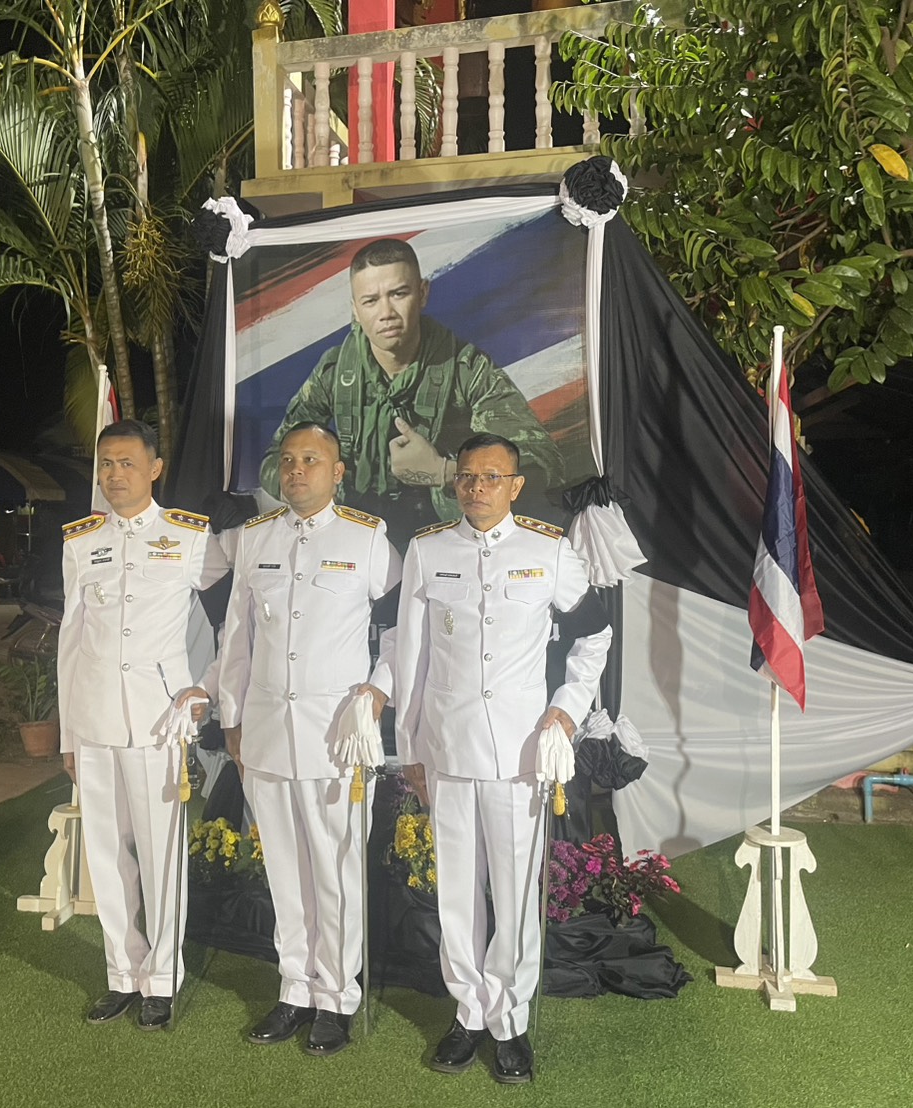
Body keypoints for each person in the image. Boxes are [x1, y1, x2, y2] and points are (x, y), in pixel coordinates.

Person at [392, 433, 612, 1084]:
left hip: (519, 753)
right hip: (447, 749)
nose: (477, 487)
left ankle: (509, 1020)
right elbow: (411, 657)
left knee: (514, 892)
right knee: (458, 893)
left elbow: (595, 635)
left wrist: (565, 709)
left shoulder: (548, 551)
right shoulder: (428, 551)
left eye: (491, 477)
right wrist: (410, 748)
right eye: (467, 476)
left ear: (515, 486)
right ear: (454, 482)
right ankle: (468, 1013)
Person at [219, 423, 402, 1057]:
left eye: (311, 460)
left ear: (338, 471)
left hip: (335, 737)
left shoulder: (367, 538)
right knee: (284, 870)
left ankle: (337, 998)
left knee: (336, 870)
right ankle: (295, 989)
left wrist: (378, 690)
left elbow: (403, 628)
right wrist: (232, 717)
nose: (296, 470)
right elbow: (236, 635)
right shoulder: (254, 539)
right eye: (288, 459)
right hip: (267, 731)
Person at [58, 420, 228, 1031]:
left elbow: (235, 619)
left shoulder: (189, 536)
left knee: (161, 855)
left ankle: (161, 979)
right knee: (106, 855)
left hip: (160, 719)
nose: (114, 475)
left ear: (155, 468)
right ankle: (122, 974)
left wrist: (206, 686)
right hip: (95, 717)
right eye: (106, 464)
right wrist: (67, 734)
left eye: (127, 463)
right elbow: (70, 640)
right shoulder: (81, 542)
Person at [258, 238, 567, 534]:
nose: (386, 313)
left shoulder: (466, 369)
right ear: (355, 310)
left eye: (398, 294)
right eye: (370, 301)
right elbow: (273, 461)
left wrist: (444, 472)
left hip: (446, 534)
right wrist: (319, 484)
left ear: (422, 293)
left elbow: (542, 464)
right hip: (355, 531)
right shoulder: (336, 371)